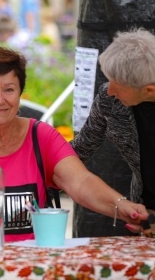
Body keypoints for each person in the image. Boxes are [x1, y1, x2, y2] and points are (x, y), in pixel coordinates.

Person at [0, 46, 148, 245]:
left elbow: (81, 182)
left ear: (19, 94)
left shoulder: (40, 135)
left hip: (31, 268)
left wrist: (122, 205)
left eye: (8, 89)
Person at [71, 28, 155, 235]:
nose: (109, 90)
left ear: (149, 90)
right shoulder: (109, 100)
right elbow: (80, 148)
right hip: (146, 216)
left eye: (117, 85)